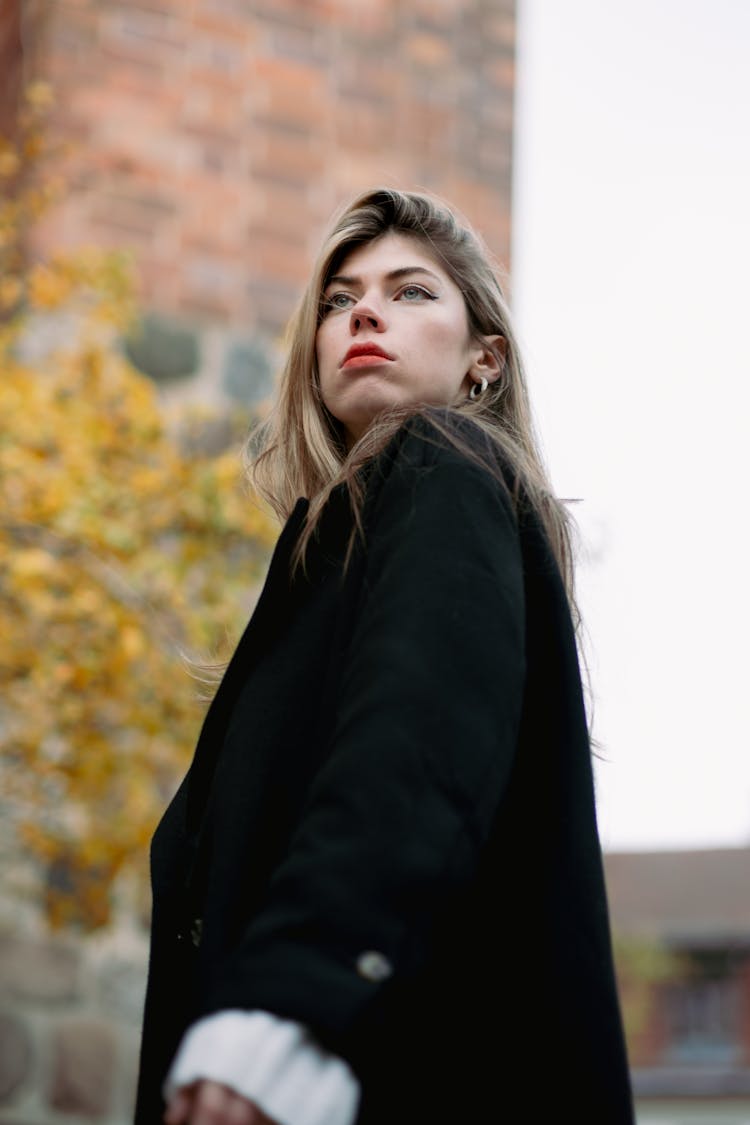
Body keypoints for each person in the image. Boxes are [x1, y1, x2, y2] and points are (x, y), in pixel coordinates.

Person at [135, 188, 635, 1124]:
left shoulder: (444, 466)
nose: (363, 310)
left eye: (411, 293)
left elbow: (412, 753)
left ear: (483, 359)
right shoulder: (324, 569)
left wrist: (291, 1005)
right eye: (339, 299)